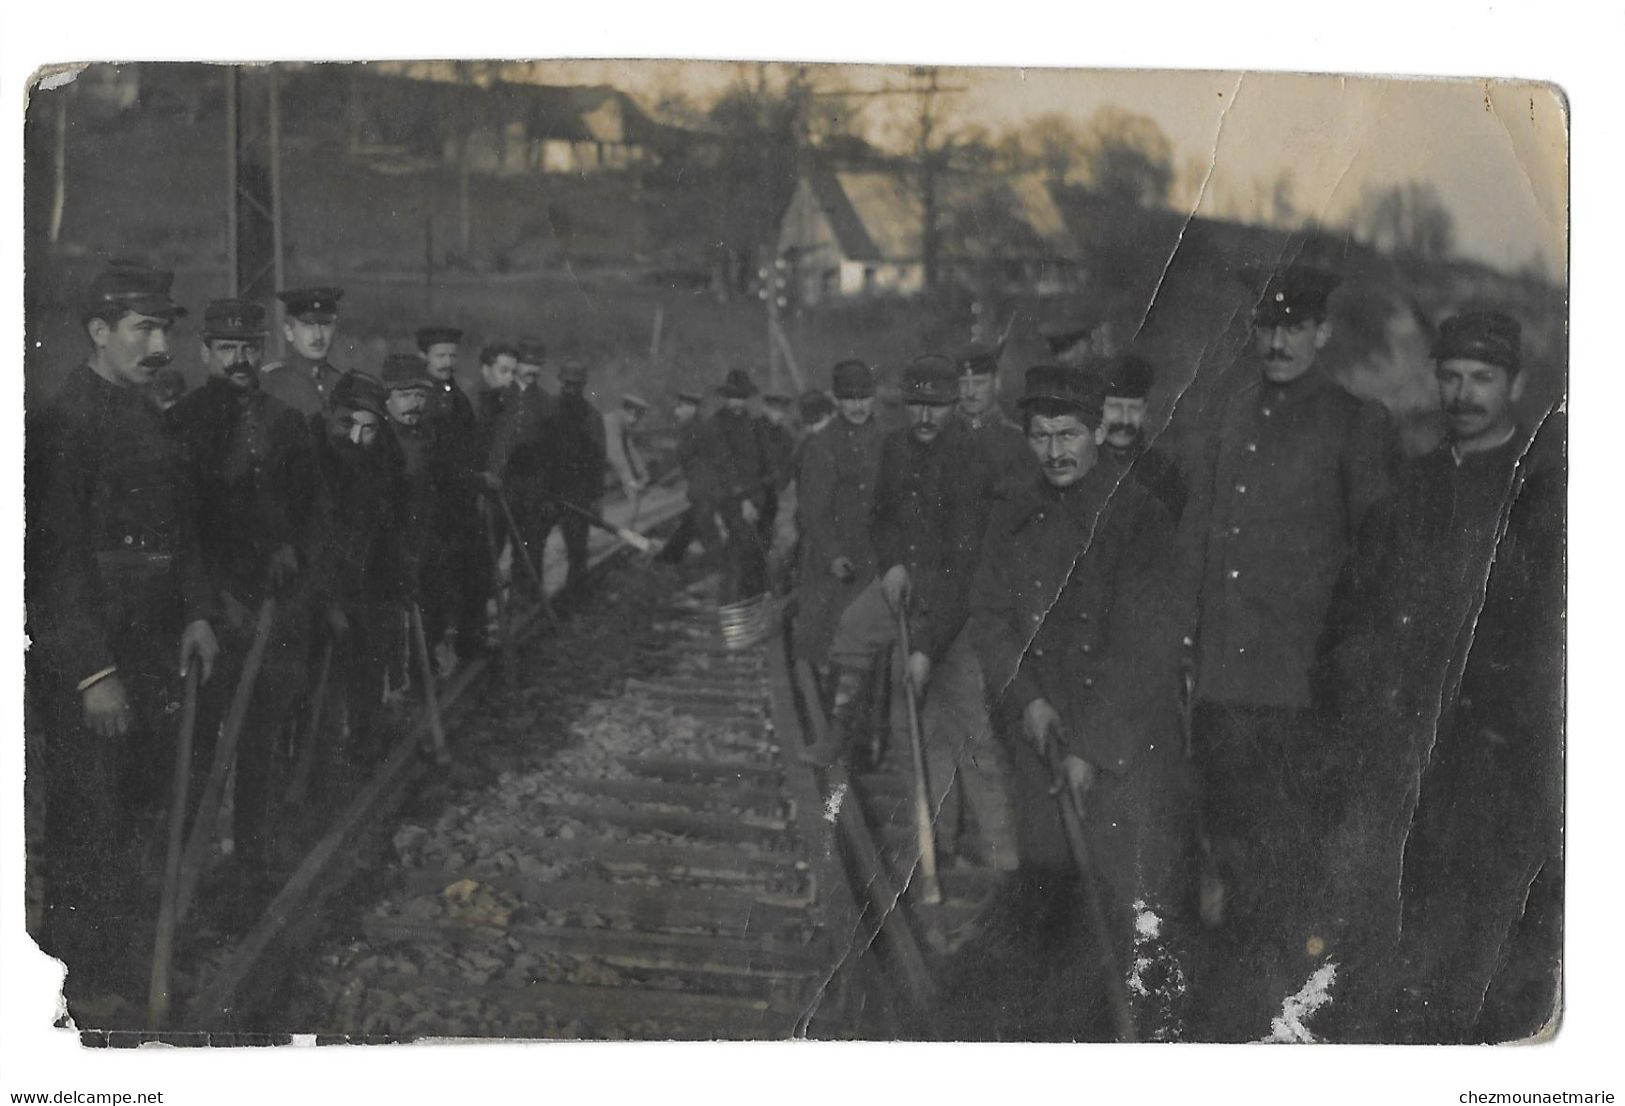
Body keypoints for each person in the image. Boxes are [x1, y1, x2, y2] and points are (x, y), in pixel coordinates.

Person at [1316, 311, 1563, 1042]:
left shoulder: (1543, 492)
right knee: (1395, 939)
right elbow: (1358, 611)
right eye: (1450, 377)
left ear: (1514, 384)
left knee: (1484, 946)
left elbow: (1548, 643)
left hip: (1495, 761)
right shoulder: (1413, 486)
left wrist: (1499, 728)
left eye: (1481, 378)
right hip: (1399, 757)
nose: (1462, 393)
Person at [1180, 263, 1398, 1040]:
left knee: (1289, 870)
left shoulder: (1352, 422)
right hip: (1223, 689)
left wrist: (1350, 678)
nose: (1275, 341)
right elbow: (1200, 553)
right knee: (1230, 860)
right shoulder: (1229, 413)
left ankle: (1282, 1022)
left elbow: (1375, 562)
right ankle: (1237, 1019)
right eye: (1264, 327)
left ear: (1320, 333)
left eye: (1291, 327)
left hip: (1302, 691)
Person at [960, 363, 1188, 1040]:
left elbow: (1146, 646)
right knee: (1051, 898)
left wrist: (1089, 745)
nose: (1054, 450)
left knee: (1121, 906)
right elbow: (989, 617)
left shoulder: (1138, 516)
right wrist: (1027, 702)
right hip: (1039, 746)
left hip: (1120, 753)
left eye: (1068, 433)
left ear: (1096, 432)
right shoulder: (1011, 510)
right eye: (1039, 435)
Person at [25, 262, 219, 1012]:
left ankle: (134, 966)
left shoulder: (150, 417)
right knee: (88, 821)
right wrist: (90, 672)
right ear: (99, 332)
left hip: (154, 651)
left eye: (165, 328)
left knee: (142, 811)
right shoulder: (63, 423)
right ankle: (82, 986)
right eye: (142, 328)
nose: (159, 343)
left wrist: (199, 610)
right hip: (94, 661)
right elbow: (51, 561)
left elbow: (184, 531)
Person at [165, 298, 315, 918]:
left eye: (250, 347)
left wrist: (290, 547)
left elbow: (311, 511)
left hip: (272, 610)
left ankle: (251, 866)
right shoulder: (183, 423)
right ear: (205, 354)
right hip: (207, 612)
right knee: (198, 746)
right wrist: (209, 599)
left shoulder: (286, 423)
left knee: (260, 739)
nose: (240, 360)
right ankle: (183, 878)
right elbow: (177, 527)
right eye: (227, 349)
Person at [800, 355, 995, 767]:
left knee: (941, 698)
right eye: (916, 405)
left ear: (955, 404)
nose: (924, 416)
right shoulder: (895, 447)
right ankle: (839, 735)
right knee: (853, 628)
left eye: (936, 406)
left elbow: (965, 562)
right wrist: (892, 565)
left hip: (953, 593)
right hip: (902, 577)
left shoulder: (972, 458)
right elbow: (882, 519)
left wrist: (926, 644)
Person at [306, 372, 408, 770]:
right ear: (330, 412)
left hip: (361, 583)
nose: (355, 438)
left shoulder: (379, 461)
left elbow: (387, 526)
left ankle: (363, 747)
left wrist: (400, 570)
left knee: (368, 662)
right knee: (317, 687)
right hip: (315, 590)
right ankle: (313, 768)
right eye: (347, 423)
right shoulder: (310, 456)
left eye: (368, 430)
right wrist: (328, 600)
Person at [792, 360, 884, 683]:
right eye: (849, 399)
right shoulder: (823, 445)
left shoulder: (886, 440)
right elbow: (812, 510)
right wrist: (832, 554)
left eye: (864, 398)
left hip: (874, 554)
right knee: (830, 637)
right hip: (835, 556)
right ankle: (829, 700)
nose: (858, 406)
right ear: (836, 400)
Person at [416, 326, 496, 664]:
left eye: (452, 355)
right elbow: (434, 460)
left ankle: (469, 645)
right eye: (440, 355)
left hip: (461, 502)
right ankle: (432, 657)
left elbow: (471, 445)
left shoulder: (456, 394)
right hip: (435, 504)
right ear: (424, 357)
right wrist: (475, 477)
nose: (448, 361)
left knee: (473, 574)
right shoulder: (421, 396)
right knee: (436, 582)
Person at [534, 358, 607, 601]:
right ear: (560, 382)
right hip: (549, 492)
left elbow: (598, 461)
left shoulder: (592, 417)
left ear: (583, 385)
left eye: (577, 385)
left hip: (578, 494)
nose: (572, 389)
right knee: (533, 545)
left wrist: (597, 498)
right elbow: (538, 455)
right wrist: (541, 493)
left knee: (577, 550)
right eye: (568, 384)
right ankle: (531, 597)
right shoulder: (546, 410)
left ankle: (574, 599)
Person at [705, 369, 776, 604]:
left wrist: (765, 489)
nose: (738, 401)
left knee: (756, 554)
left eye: (742, 396)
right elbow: (724, 464)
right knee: (738, 554)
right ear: (726, 397)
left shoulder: (754, 423)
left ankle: (754, 607)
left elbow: (766, 461)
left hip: (756, 500)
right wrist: (743, 499)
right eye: (734, 396)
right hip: (732, 501)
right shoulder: (717, 424)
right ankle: (732, 609)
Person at [1094, 353, 1186, 521]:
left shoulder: (1163, 473)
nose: (1123, 419)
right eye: (1115, 408)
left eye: (1133, 409)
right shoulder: (1084, 464)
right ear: (1101, 409)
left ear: (1143, 411)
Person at [654, 389, 721, 565]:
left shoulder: (691, 429)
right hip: (706, 486)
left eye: (680, 407)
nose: (677, 411)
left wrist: (666, 481)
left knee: (706, 528)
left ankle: (721, 567)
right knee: (691, 524)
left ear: (691, 408)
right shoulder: (699, 426)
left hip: (704, 488)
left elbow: (686, 462)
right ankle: (668, 558)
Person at [259, 286, 346, 416]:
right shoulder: (270, 382)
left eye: (325, 325)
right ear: (289, 331)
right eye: (308, 325)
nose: (318, 336)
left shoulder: (344, 384)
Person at [953, 342, 1030, 479]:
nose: (970, 393)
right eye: (964, 383)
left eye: (978, 383)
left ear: (997, 383)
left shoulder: (1017, 438)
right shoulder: (945, 432)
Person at [756, 392, 798, 546]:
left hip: (774, 488)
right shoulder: (754, 429)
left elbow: (788, 459)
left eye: (782, 411)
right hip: (756, 487)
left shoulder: (784, 434)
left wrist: (783, 481)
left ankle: (762, 562)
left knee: (768, 526)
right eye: (775, 410)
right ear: (765, 408)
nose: (779, 414)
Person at [604, 393, 652, 504]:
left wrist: (643, 473)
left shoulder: (621, 423)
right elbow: (618, 458)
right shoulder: (610, 423)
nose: (637, 423)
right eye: (638, 418)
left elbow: (630, 450)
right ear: (632, 413)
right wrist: (630, 482)